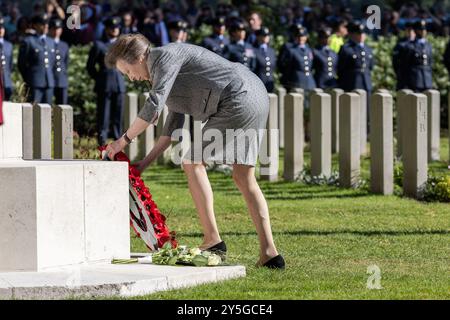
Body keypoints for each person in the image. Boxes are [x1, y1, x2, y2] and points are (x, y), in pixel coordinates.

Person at [103, 34, 285, 269]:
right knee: (243, 177)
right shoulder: (161, 70)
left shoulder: (163, 57)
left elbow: (153, 106)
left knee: (191, 162)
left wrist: (122, 141)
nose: (130, 78)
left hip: (237, 97)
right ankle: (270, 254)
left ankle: (213, 241)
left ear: (138, 57)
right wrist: (145, 163)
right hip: (254, 93)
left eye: (127, 71)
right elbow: (173, 125)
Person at [86, 16, 125, 146]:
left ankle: (117, 141)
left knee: (118, 116)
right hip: (105, 84)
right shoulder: (99, 45)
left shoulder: (122, 45)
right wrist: (99, 78)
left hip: (119, 84)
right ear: (107, 29)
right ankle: (102, 143)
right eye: (112, 28)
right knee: (103, 116)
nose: (114, 30)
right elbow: (90, 66)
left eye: (117, 28)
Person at [18, 13, 56, 104]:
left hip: (49, 82)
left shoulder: (51, 42)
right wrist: (29, 79)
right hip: (34, 82)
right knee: (34, 112)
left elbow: (52, 62)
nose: (46, 26)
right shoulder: (28, 41)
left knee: (47, 111)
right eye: (42, 23)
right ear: (35, 25)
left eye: (47, 23)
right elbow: (21, 63)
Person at [337, 20, 374, 94]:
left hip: (366, 83)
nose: (361, 36)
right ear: (352, 34)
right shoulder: (346, 48)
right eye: (359, 33)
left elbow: (371, 66)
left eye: (363, 33)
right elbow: (341, 67)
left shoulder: (368, 49)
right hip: (352, 83)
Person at [278, 24, 316, 94]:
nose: (301, 38)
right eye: (298, 36)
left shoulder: (309, 49)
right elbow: (285, 67)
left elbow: (312, 65)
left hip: (309, 82)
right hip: (296, 82)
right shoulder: (291, 50)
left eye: (303, 36)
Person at [404, 19, 433, 92]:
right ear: (416, 31)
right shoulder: (410, 46)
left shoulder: (428, 45)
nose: (423, 32)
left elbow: (430, 62)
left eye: (424, 29)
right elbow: (406, 64)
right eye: (421, 29)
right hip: (415, 80)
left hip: (427, 80)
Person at [48, 18, 69, 105]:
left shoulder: (64, 45)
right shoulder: (45, 43)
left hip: (61, 80)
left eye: (58, 29)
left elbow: (66, 62)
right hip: (48, 79)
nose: (56, 31)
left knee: (62, 107)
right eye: (54, 29)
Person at [392, 21, 415, 90]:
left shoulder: (419, 43)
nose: (410, 32)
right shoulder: (400, 44)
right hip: (404, 77)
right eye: (408, 30)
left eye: (412, 30)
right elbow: (395, 62)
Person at [253, 26, 276, 93]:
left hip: (270, 83)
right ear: (258, 37)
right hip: (258, 83)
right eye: (263, 35)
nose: (266, 37)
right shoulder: (254, 50)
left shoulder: (271, 51)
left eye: (267, 35)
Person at [0, 17, 14, 101]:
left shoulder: (9, 45)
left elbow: (10, 64)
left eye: (2, 28)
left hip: (7, 81)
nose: (1, 30)